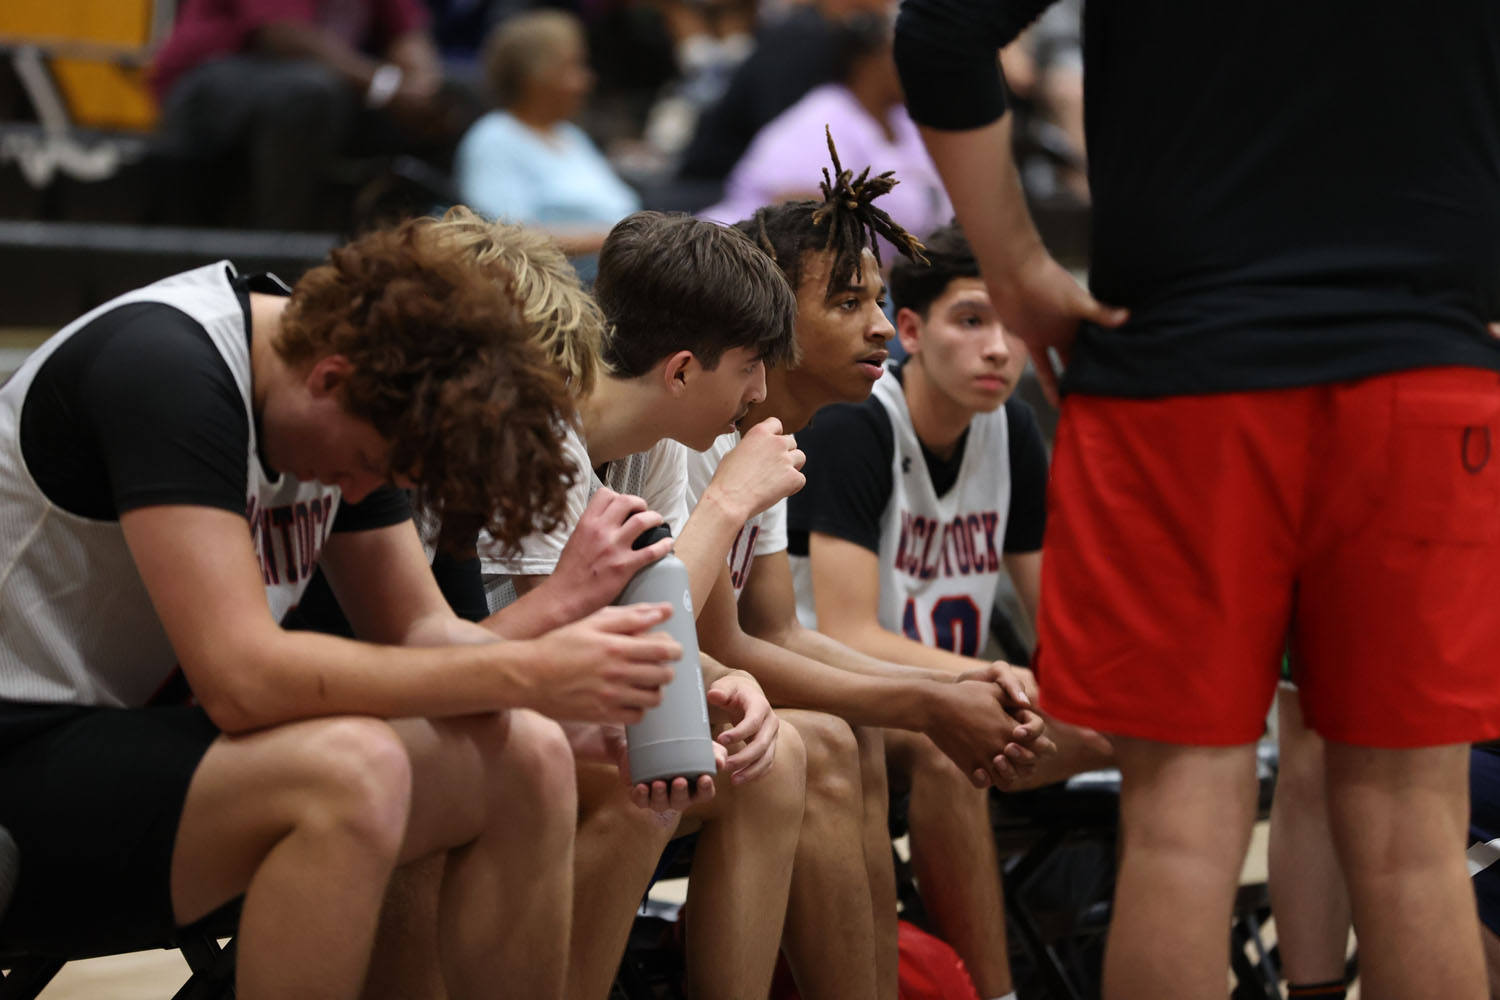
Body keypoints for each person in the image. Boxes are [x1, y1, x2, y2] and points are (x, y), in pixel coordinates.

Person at [895, 2, 1500, 997]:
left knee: (1180, 831)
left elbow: (941, 30)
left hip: (1182, 372)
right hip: (1422, 363)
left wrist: (1015, 270)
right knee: (1412, 840)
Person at [0, 219, 683, 999]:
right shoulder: (168, 370)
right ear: (328, 377)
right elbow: (243, 681)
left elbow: (422, 632)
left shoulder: (360, 392)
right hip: (22, 749)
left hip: (124, 753)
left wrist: (582, 703)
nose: (356, 494)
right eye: (366, 468)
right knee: (351, 773)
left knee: (528, 754)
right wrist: (530, 667)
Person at [684, 144, 1053, 1000]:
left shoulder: (777, 434)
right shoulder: (702, 437)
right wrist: (930, 696)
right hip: (626, 706)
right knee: (841, 740)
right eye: (848, 303)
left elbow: (776, 631)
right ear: (770, 319)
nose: (881, 327)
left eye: (880, 301)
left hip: (721, 699)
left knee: (860, 734)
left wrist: (966, 688)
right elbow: (730, 643)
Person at [459, 208, 808, 1000]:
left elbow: (655, 627)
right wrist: (726, 505)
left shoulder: (653, 444)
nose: (757, 395)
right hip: (480, 691)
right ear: (682, 370)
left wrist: (731, 678)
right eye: (750, 366)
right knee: (649, 780)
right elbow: (580, 648)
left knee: (775, 756)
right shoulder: (545, 430)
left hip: (552, 692)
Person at [150, 0, 468, 230]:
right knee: (308, 94)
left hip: (323, 87)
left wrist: (423, 86)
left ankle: (426, 243)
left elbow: (407, 33)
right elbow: (283, 35)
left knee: (455, 98)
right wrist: (387, 87)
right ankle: (278, 256)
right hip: (207, 82)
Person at [700, 13, 951, 266]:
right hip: (742, 265)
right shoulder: (823, 117)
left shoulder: (906, 121)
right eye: (905, 55)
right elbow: (795, 215)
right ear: (866, 62)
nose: (921, 66)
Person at [455, 11, 643, 258]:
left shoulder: (569, 135)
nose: (587, 80)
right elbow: (504, 237)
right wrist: (617, 241)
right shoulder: (493, 138)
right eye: (574, 67)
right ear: (536, 76)